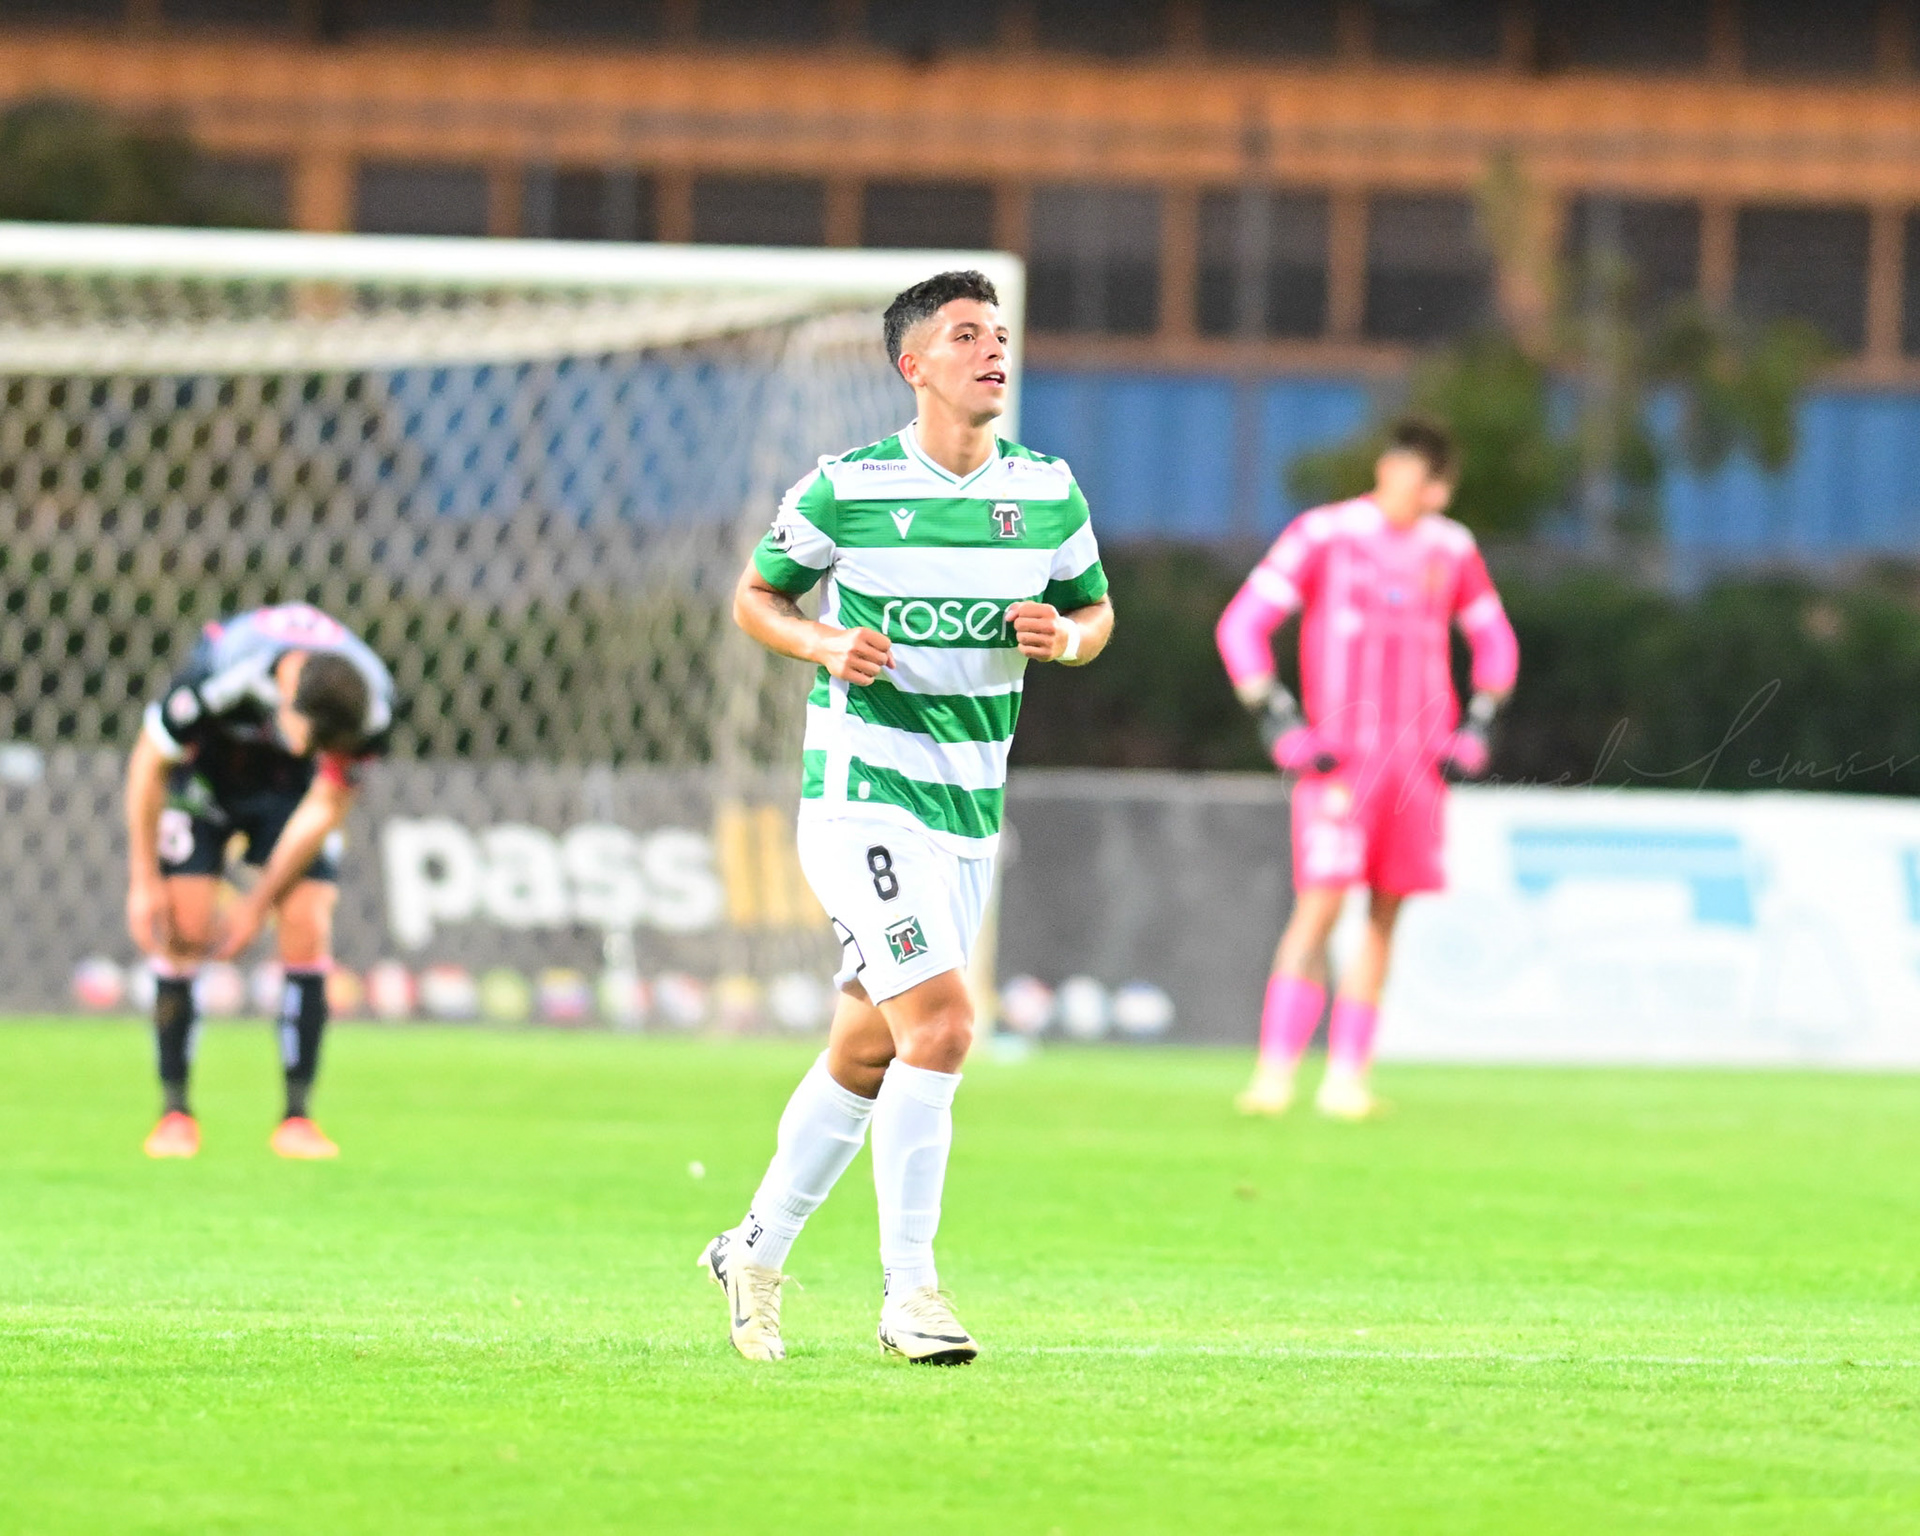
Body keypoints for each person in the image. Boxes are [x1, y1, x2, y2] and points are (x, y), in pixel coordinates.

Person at [702, 269, 1113, 1365]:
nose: (993, 351)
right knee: (943, 1023)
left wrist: (1064, 641)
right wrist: (826, 644)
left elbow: (1095, 609)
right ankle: (911, 1295)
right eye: (967, 335)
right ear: (913, 365)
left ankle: (755, 1246)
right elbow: (757, 596)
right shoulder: (848, 489)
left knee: (870, 1045)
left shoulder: (1049, 492)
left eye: (1000, 333)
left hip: (967, 808)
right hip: (861, 794)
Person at [1215, 418, 1518, 1119]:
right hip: (1340, 760)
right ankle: (1275, 1073)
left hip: (1417, 765)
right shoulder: (1325, 535)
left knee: (1386, 914)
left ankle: (1347, 1077)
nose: (1415, 488)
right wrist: (1277, 715)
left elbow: (1495, 640)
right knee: (1320, 906)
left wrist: (1478, 721)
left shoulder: (1451, 548)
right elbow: (1243, 625)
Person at [125, 603, 395, 1160]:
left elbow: (325, 806)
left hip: (286, 790)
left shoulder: (370, 705)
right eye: (310, 740)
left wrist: (256, 904)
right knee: (185, 923)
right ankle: (175, 1111)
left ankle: (297, 1118)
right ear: (286, 703)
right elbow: (148, 763)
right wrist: (143, 877)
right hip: (206, 775)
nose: (315, 752)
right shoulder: (222, 670)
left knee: (306, 919)